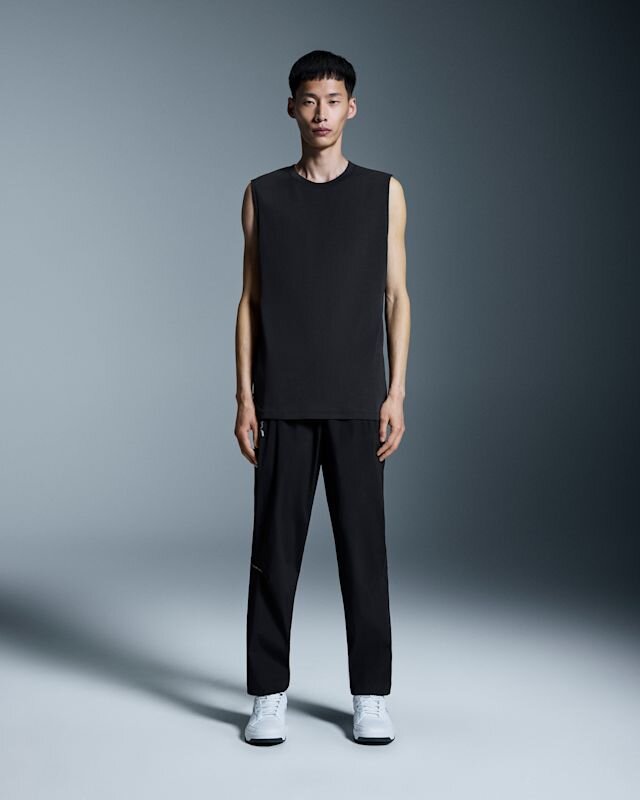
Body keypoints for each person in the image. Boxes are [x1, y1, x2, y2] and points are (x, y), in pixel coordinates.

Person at [234, 49, 410, 746]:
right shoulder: (263, 194)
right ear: (292, 108)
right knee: (274, 553)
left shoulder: (383, 192)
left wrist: (396, 391)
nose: (321, 113)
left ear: (351, 108)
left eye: (333, 100)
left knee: (364, 553)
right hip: (282, 398)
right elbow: (250, 301)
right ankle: (267, 693)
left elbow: (396, 296)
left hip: (359, 399)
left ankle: (370, 695)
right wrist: (244, 397)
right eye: (309, 100)